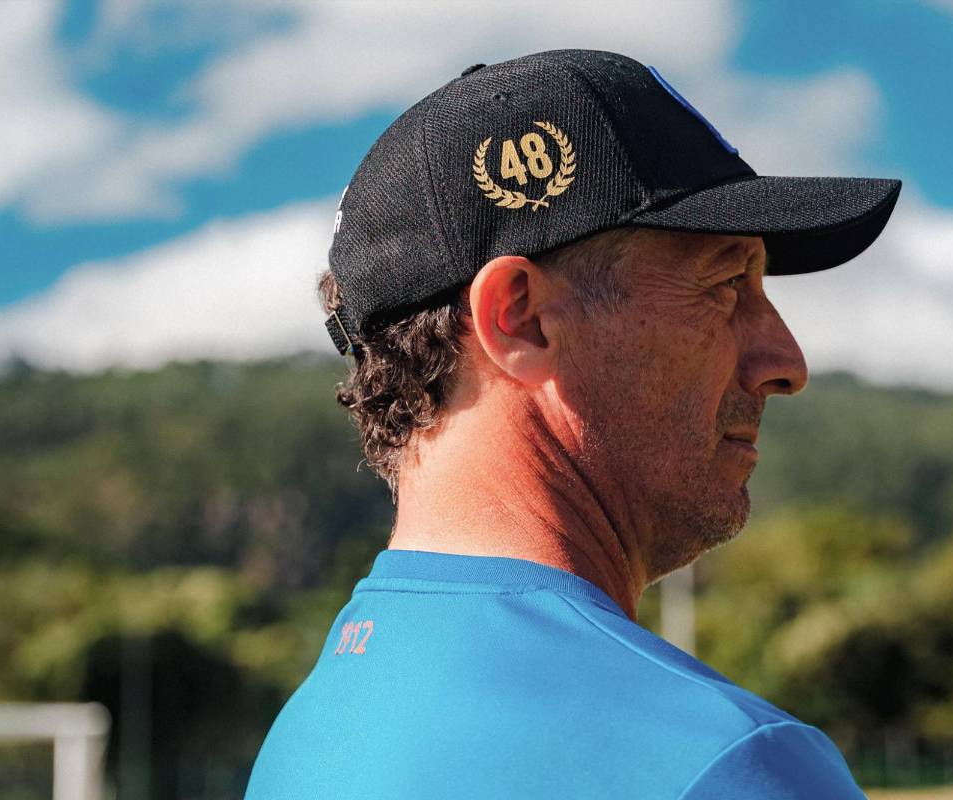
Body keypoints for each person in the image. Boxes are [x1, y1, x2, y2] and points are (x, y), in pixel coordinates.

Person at [246, 49, 900, 798]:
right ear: (519, 318)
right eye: (725, 284)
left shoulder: (308, 735)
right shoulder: (728, 763)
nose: (787, 360)